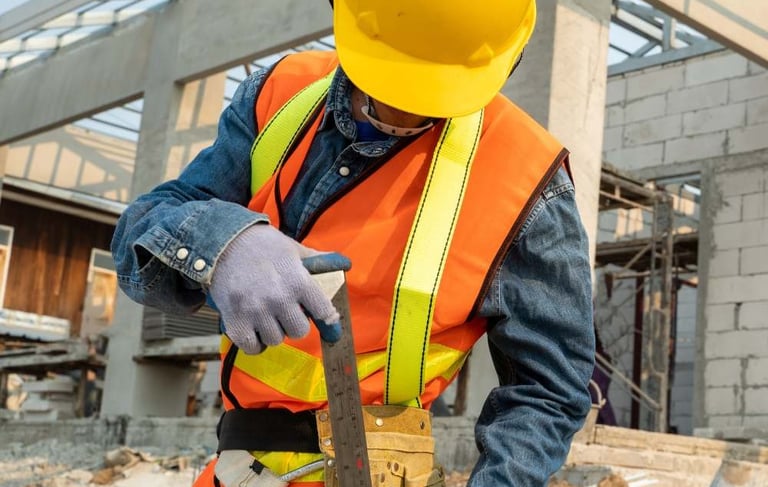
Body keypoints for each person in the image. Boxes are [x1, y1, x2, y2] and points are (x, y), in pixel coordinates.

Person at [111, 0, 596, 485]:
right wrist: (220, 242)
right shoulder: (279, 94)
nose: (406, 109)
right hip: (238, 471)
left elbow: (548, 390)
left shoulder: (529, 181)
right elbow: (138, 238)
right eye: (393, 83)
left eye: (431, 93)